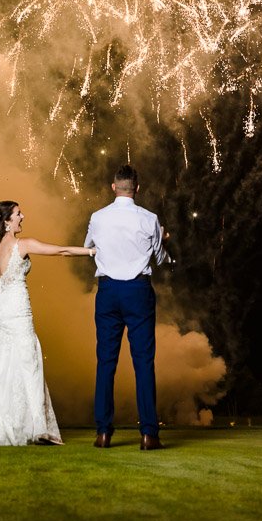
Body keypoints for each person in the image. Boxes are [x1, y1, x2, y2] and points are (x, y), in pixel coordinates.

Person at [0, 192, 95, 447]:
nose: (22, 216)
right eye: (18, 214)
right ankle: (35, 428)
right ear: (6, 222)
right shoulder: (22, 245)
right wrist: (91, 251)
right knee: (27, 365)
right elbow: (61, 251)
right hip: (14, 311)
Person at [84, 164, 170, 450]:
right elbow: (159, 257)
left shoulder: (98, 217)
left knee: (106, 363)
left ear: (113, 186)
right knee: (143, 362)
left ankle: (103, 433)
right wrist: (163, 241)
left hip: (108, 291)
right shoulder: (149, 219)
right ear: (137, 188)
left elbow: (90, 247)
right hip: (137, 290)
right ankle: (148, 434)